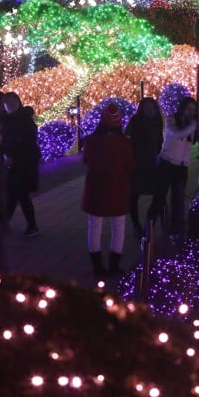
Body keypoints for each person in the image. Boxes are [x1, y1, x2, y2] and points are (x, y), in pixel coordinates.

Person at [81, 102, 135, 278]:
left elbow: (86, 162)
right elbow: (130, 165)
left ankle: (97, 267)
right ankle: (114, 265)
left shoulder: (91, 141)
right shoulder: (124, 143)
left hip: (96, 188)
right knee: (118, 226)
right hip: (117, 189)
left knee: (94, 226)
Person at [156, 97, 199, 240]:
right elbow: (177, 134)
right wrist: (195, 123)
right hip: (166, 164)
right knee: (160, 198)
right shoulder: (171, 120)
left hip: (182, 167)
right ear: (182, 108)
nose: (191, 112)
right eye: (189, 109)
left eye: (194, 110)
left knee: (178, 200)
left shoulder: (191, 124)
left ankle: (175, 230)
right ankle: (151, 227)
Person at [0, 91, 41, 236]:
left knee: (17, 193)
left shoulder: (25, 119)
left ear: (18, 102)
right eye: (8, 102)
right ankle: (27, 225)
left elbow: (29, 141)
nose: (11, 105)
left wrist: (13, 156)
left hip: (24, 163)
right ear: (3, 105)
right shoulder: (3, 119)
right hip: (11, 162)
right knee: (15, 194)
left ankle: (8, 225)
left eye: (13, 101)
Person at [124, 97, 163, 238]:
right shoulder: (135, 122)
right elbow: (127, 139)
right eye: (147, 108)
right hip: (137, 163)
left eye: (152, 108)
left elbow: (159, 141)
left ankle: (151, 222)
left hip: (152, 162)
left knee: (159, 194)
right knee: (134, 195)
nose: (150, 111)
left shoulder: (157, 122)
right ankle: (136, 225)